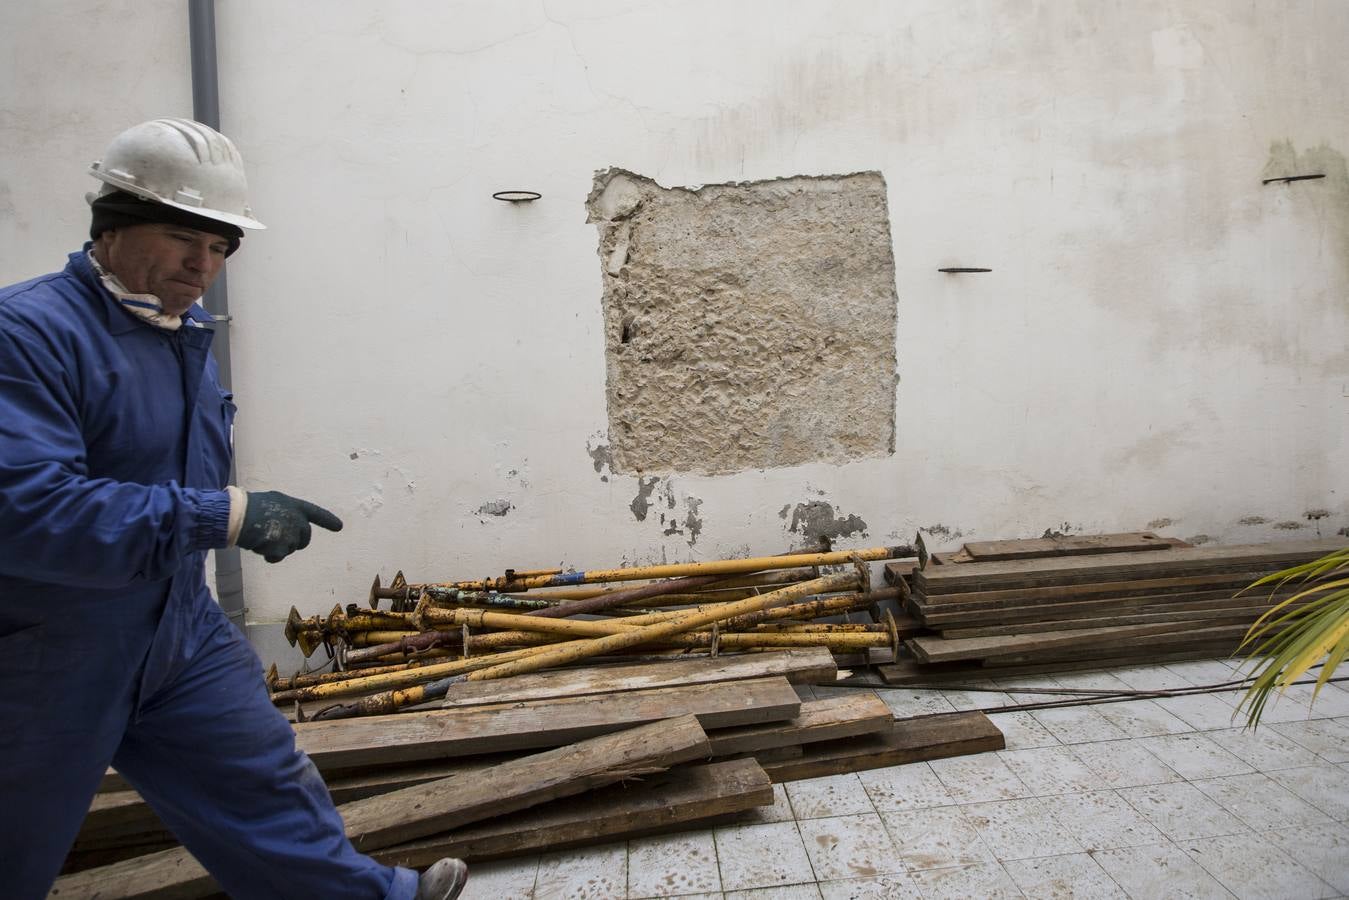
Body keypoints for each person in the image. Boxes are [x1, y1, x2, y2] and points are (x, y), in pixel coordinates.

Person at [0, 118, 468, 899]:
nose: (203, 265)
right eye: (185, 238)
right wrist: (219, 516)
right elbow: (24, 510)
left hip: (177, 629)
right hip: (46, 648)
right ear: (111, 228)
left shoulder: (179, 338)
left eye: (220, 249)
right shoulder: (29, 334)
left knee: (263, 786)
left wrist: (208, 527)